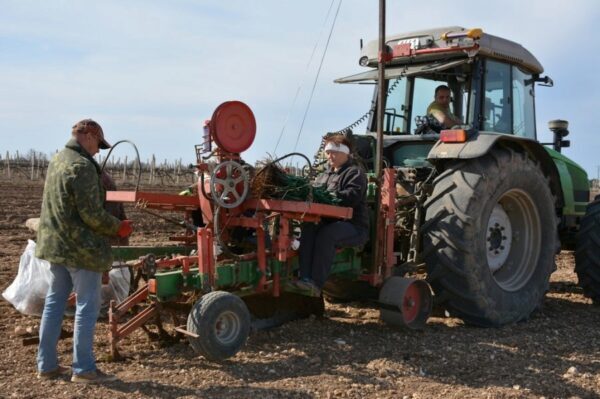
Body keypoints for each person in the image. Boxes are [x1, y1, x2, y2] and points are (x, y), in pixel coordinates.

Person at [35, 119, 133, 383]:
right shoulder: (82, 167)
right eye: (98, 144)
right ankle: (84, 369)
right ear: (88, 136)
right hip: (81, 250)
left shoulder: (57, 160)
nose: (98, 150)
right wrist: (119, 227)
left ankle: (46, 365)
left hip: (56, 247)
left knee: (54, 303)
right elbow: (91, 214)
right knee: (87, 306)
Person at [294, 134, 369, 296]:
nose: (330, 156)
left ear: (346, 153)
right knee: (308, 228)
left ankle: (316, 283)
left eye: (334, 152)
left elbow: (352, 197)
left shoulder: (354, 173)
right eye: (328, 153)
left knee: (327, 235)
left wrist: (329, 196)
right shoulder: (323, 175)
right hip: (328, 222)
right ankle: (304, 277)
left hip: (353, 227)